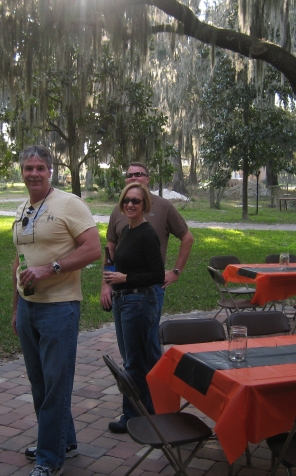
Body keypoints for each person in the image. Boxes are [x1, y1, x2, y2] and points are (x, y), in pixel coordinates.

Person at [12, 145, 101, 476]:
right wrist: (16, 307)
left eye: (39, 167)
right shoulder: (23, 207)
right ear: (22, 172)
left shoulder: (69, 203)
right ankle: (64, 441)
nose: (33, 173)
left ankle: (49, 459)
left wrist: (52, 268)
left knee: (55, 384)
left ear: (50, 171)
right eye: (27, 168)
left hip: (59, 307)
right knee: (40, 383)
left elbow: (93, 249)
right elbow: (19, 262)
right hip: (28, 308)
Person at [100, 162, 194, 433]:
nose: (133, 180)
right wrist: (106, 283)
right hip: (123, 296)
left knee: (143, 353)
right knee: (141, 353)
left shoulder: (159, 212)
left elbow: (186, 239)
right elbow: (110, 251)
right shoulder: (122, 219)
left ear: (148, 180)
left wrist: (175, 271)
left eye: (138, 175)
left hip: (145, 296)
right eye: (129, 176)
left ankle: (142, 412)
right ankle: (154, 407)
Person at [103, 182, 165, 431]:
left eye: (135, 201)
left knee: (134, 363)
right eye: (126, 200)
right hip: (123, 301)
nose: (130, 204)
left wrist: (124, 278)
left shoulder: (147, 234)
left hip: (139, 301)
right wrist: (112, 281)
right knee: (133, 358)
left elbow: (158, 275)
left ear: (144, 205)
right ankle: (149, 410)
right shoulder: (127, 231)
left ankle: (133, 417)